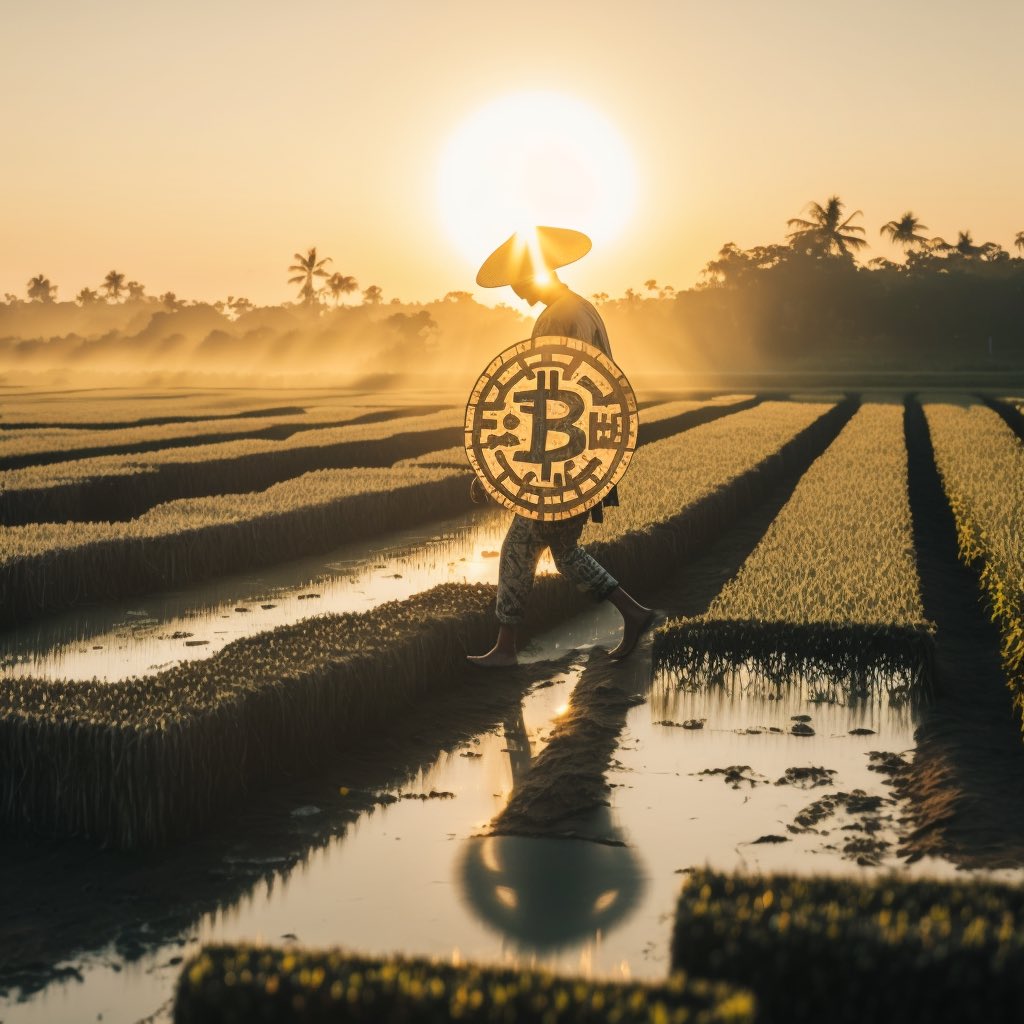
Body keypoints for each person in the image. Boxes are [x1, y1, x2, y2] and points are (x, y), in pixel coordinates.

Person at [466, 226, 655, 669]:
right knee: (551, 547)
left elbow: (544, 399)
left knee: (530, 547)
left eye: (517, 282)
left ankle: (512, 647)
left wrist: (501, 461)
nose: (514, 291)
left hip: (561, 456)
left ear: (536, 276)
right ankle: (629, 613)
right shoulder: (585, 309)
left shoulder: (554, 319)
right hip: (585, 451)